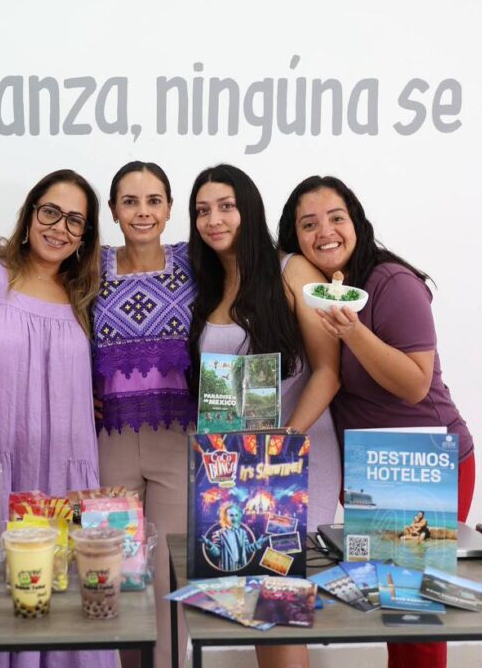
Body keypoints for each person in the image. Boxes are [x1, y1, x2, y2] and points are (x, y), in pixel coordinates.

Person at [277, 174, 478, 668]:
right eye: (309, 224)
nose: (325, 232)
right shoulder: (319, 290)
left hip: (426, 464)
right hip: (373, 471)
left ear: (357, 224)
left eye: (336, 218)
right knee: (395, 614)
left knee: (417, 618)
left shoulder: (392, 283)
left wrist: (353, 332)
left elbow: (415, 384)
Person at [0, 169, 112, 668]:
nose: (59, 228)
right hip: (1, 463)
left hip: (66, 468)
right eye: (51, 212)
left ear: (85, 234)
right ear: (31, 212)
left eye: (75, 220)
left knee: (63, 592)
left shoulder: (85, 290)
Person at [188, 164, 341, 668]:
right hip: (237, 467)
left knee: (280, 603)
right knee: (255, 607)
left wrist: (282, 443)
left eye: (226, 206)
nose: (213, 219)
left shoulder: (291, 270)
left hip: (295, 460)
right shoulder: (210, 285)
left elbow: (328, 371)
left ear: (249, 209)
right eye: (202, 211)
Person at [92, 162, 196, 668]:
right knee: (115, 572)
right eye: (130, 201)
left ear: (170, 208)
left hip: (178, 438)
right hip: (109, 438)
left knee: (169, 580)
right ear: (113, 210)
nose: (142, 212)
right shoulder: (90, 266)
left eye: (154, 200)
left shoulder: (195, 261)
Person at [201, 503, 268, 572]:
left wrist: (256, 545)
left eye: (236, 515)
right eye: (231, 515)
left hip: (241, 567)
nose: (234, 518)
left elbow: (246, 549)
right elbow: (217, 553)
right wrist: (209, 544)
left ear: (239, 517)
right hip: (226, 568)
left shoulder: (242, 533)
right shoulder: (218, 533)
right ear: (225, 517)